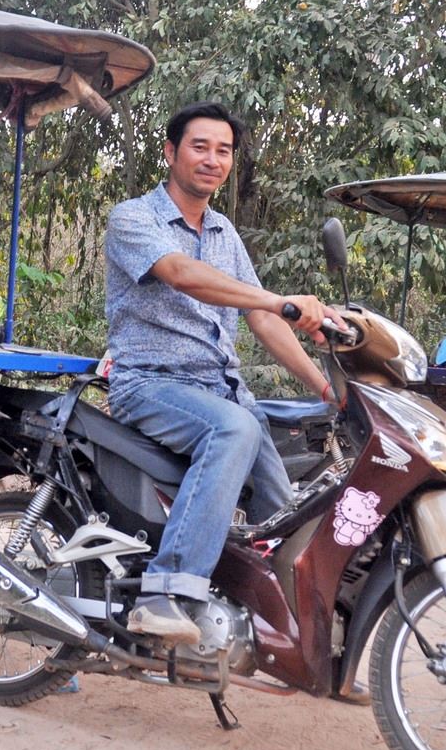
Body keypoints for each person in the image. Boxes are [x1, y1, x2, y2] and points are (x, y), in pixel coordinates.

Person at [103, 101, 341, 645]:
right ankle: (163, 593)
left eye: (224, 150)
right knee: (234, 429)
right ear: (170, 152)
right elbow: (182, 275)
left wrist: (328, 387)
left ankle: (294, 636)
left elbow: (260, 316)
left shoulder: (223, 232)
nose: (212, 159)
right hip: (151, 383)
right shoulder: (133, 218)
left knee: (286, 511)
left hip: (223, 390)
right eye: (200, 146)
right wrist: (282, 300)